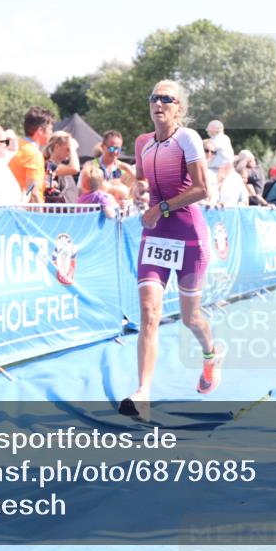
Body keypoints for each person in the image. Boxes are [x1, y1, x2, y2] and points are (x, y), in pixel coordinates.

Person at [120, 80, 218, 419]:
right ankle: (143, 393)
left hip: (189, 235)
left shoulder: (187, 138)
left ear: (179, 108)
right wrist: (138, 192)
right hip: (157, 236)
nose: (158, 103)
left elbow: (203, 188)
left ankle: (210, 354)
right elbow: (144, 181)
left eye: (166, 99)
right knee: (149, 311)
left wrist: (160, 208)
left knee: (191, 317)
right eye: (153, 98)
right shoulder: (143, 143)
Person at [10, 106, 55, 203]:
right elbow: (32, 192)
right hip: (28, 211)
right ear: (40, 131)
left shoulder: (17, 145)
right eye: (50, 129)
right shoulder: (34, 154)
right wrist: (41, 216)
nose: (52, 133)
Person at [81, 130, 136, 206]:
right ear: (103, 147)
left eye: (118, 149)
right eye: (112, 149)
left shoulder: (124, 168)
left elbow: (138, 186)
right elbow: (82, 191)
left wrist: (129, 170)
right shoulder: (90, 166)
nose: (115, 152)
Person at [42, 131, 81, 204]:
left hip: (69, 212)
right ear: (57, 147)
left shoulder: (64, 166)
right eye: (68, 149)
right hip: (57, 213)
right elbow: (75, 169)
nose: (69, 153)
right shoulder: (49, 165)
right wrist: (72, 148)